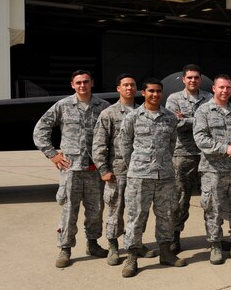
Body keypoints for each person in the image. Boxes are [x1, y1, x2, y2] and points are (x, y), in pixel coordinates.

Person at [33, 70, 110, 268]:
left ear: (92, 83)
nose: (82, 85)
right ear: (72, 85)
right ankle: (65, 248)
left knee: (96, 210)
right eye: (78, 82)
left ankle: (93, 243)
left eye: (86, 81)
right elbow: (40, 129)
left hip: (95, 169)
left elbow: (114, 134)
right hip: (71, 169)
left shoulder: (103, 107)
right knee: (69, 210)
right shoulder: (63, 105)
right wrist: (52, 154)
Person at [120, 79, 186, 277]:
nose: (155, 94)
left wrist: (163, 163)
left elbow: (172, 144)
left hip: (165, 175)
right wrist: (138, 164)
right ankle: (131, 257)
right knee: (136, 216)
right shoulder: (132, 117)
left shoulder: (169, 117)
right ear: (143, 93)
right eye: (151, 91)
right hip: (140, 176)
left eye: (158, 91)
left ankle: (166, 252)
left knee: (166, 215)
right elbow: (124, 145)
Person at [93, 73, 157, 266]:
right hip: (117, 171)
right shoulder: (109, 113)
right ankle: (113, 246)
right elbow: (98, 144)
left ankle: (136, 243)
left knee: (138, 210)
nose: (129, 88)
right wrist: (103, 169)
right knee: (115, 209)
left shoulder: (143, 111)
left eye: (132, 85)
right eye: (126, 85)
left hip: (140, 171)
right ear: (118, 89)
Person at [194, 74, 231, 265]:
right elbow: (201, 139)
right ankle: (215, 246)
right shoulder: (203, 111)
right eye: (221, 87)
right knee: (213, 209)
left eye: (228, 87)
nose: (225, 91)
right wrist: (225, 148)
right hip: (213, 171)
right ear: (214, 88)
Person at [165, 64, 212, 253]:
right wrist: (199, 120)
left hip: (206, 154)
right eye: (189, 77)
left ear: (200, 79)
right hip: (182, 154)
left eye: (196, 77)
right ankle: (174, 236)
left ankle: (214, 237)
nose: (193, 80)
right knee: (180, 197)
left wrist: (187, 118)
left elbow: (212, 123)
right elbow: (173, 122)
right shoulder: (174, 99)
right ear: (184, 79)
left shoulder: (209, 98)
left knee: (211, 197)